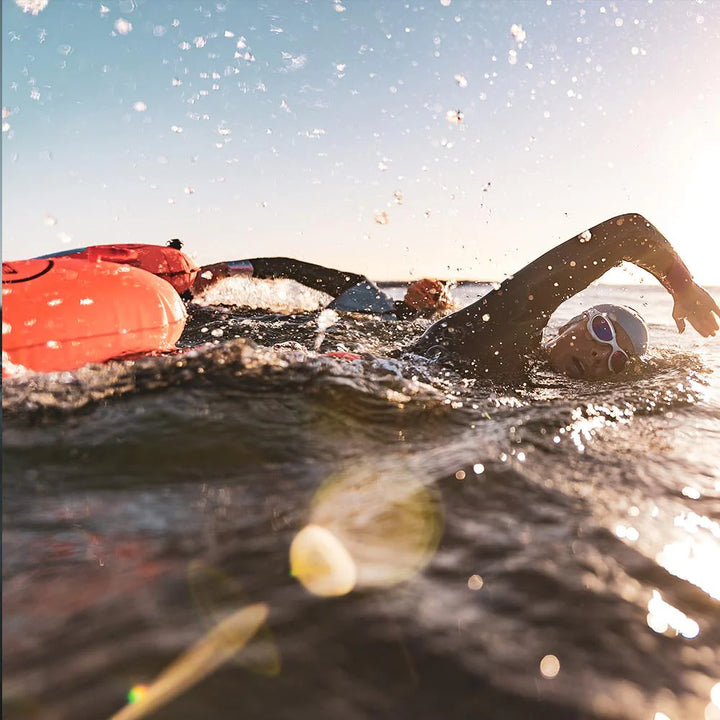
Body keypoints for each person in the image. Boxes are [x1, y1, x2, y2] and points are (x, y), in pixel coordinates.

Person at [409, 213, 720, 379]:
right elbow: (631, 232)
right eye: (603, 330)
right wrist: (684, 288)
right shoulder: (511, 322)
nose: (601, 355)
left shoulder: (534, 387)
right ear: (569, 323)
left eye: (617, 360)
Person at [184, 247, 454, 319]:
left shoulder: (430, 334)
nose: (422, 286)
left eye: (433, 291)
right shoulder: (365, 292)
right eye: (421, 283)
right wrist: (227, 269)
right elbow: (293, 268)